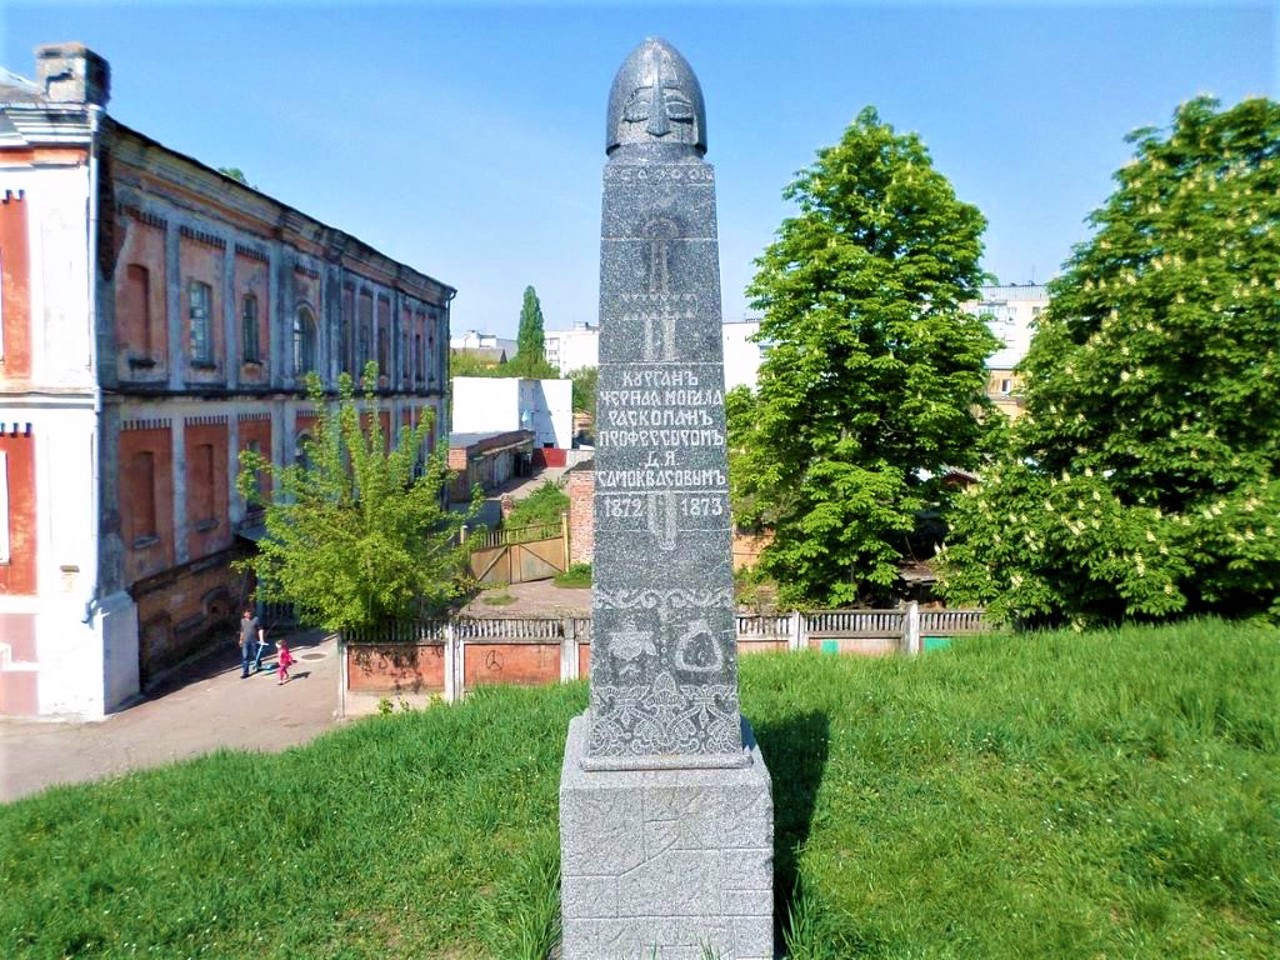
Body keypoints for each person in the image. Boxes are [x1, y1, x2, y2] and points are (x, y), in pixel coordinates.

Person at [238, 606, 264, 679]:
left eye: (250, 614)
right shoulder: (242, 621)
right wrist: (240, 640)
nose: (249, 615)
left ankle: (259, 666)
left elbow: (260, 629)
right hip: (245, 642)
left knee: (256, 655)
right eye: (247, 614)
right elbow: (242, 631)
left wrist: (261, 639)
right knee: (245, 657)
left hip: (254, 641)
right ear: (244, 614)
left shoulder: (256, 619)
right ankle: (245, 673)